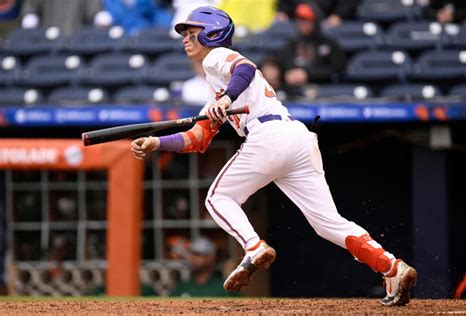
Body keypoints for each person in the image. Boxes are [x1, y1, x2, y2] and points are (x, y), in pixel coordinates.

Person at [130, 6, 417, 307]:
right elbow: (197, 138)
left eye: (191, 33)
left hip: (268, 137)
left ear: (212, 33)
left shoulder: (215, 58)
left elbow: (246, 69)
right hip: (297, 139)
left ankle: (253, 247)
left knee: (218, 198)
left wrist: (227, 97)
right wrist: (156, 143)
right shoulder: (215, 88)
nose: (185, 40)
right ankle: (391, 267)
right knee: (328, 223)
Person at [269, 2, 347, 99]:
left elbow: (337, 69)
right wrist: (282, 72)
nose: (302, 24)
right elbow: (281, 64)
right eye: (300, 20)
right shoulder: (291, 43)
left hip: (320, 89)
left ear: (315, 22)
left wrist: (307, 74)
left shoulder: (328, 44)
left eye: (307, 20)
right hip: (291, 91)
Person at [170, 237, 237, 297]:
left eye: (198, 254)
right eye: (192, 254)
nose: (193, 258)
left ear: (211, 257)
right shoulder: (183, 287)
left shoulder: (224, 288)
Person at [20, 0, 105, 36]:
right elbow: (31, 7)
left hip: (76, 40)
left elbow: (94, 9)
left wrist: (98, 15)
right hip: (47, 39)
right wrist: (29, 15)